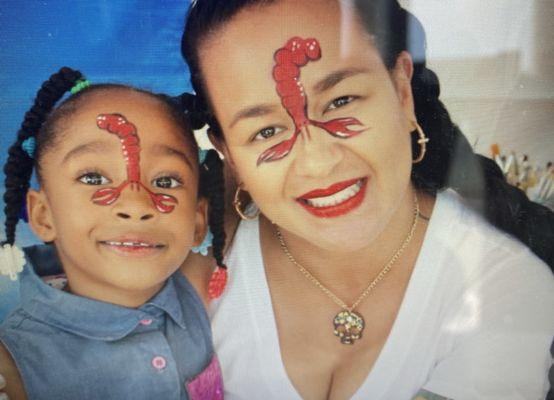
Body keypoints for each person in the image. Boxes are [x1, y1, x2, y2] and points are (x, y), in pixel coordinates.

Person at [178, 0, 554, 399]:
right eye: (266, 132)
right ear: (229, 153)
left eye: (341, 101)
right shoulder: (199, 272)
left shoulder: (501, 289)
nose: (319, 163)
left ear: (402, 92)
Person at [0, 67, 226, 400]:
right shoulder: (13, 366)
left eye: (166, 182)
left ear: (196, 222)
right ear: (43, 215)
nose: (135, 204)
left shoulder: (199, 287)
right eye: (93, 178)